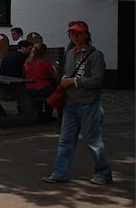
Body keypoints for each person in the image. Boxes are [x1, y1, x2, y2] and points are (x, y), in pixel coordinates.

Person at [43, 20, 112, 185]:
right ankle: (59, 173)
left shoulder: (95, 55)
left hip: (89, 104)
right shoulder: (70, 54)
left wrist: (74, 81)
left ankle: (104, 172)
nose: (74, 36)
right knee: (65, 140)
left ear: (86, 35)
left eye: (78, 33)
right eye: (71, 33)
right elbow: (66, 73)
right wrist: (65, 79)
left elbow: (97, 80)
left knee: (93, 141)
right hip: (70, 103)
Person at [24, 42, 58, 120]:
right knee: (55, 93)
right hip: (42, 88)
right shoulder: (45, 62)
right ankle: (48, 115)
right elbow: (54, 76)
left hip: (29, 88)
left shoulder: (27, 62)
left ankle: (38, 112)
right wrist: (55, 69)